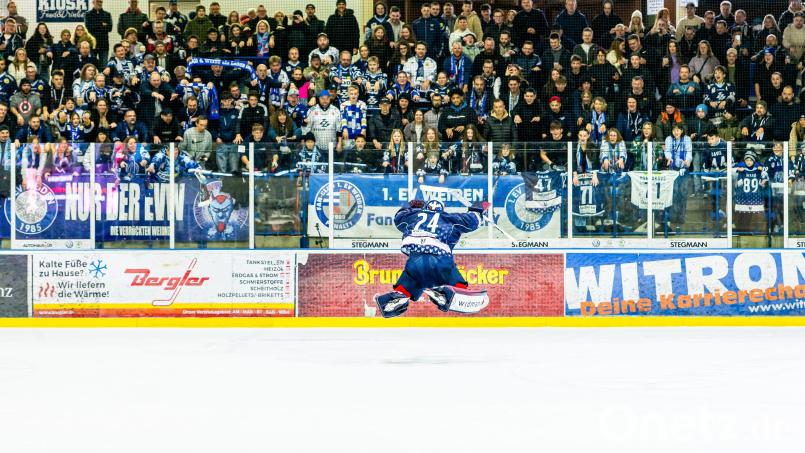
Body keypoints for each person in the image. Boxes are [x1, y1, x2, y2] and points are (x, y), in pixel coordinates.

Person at [373, 198, 489, 318]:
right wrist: (479, 208)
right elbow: (473, 220)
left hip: (415, 260)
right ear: (441, 209)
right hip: (440, 259)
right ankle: (447, 293)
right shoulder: (450, 218)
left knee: (411, 279)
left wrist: (410, 207)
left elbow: (398, 217)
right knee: (453, 279)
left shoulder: (413, 216)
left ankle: (400, 295)